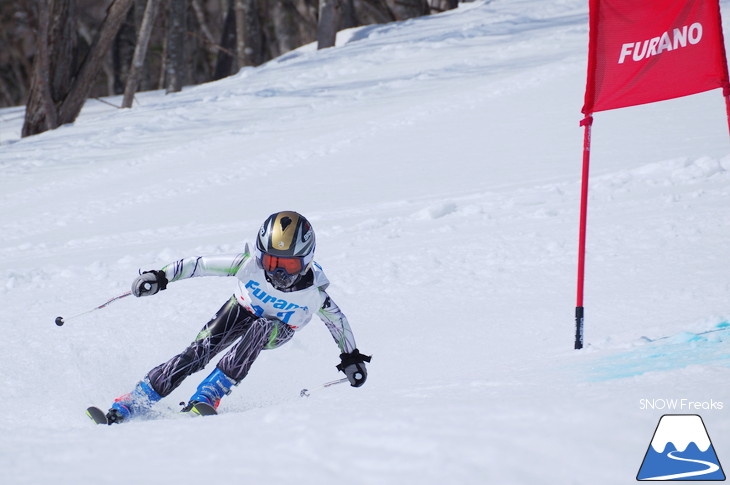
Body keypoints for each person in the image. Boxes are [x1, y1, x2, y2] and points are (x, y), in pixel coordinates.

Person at [104, 211, 370, 424]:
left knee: (263, 327)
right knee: (199, 351)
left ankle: (210, 393)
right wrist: (160, 277)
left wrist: (351, 358)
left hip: (280, 329)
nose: (278, 274)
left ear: (307, 260)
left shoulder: (313, 294)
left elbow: (338, 322)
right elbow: (200, 265)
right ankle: (137, 398)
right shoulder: (247, 265)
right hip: (242, 309)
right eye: (270, 262)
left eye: (289, 265)